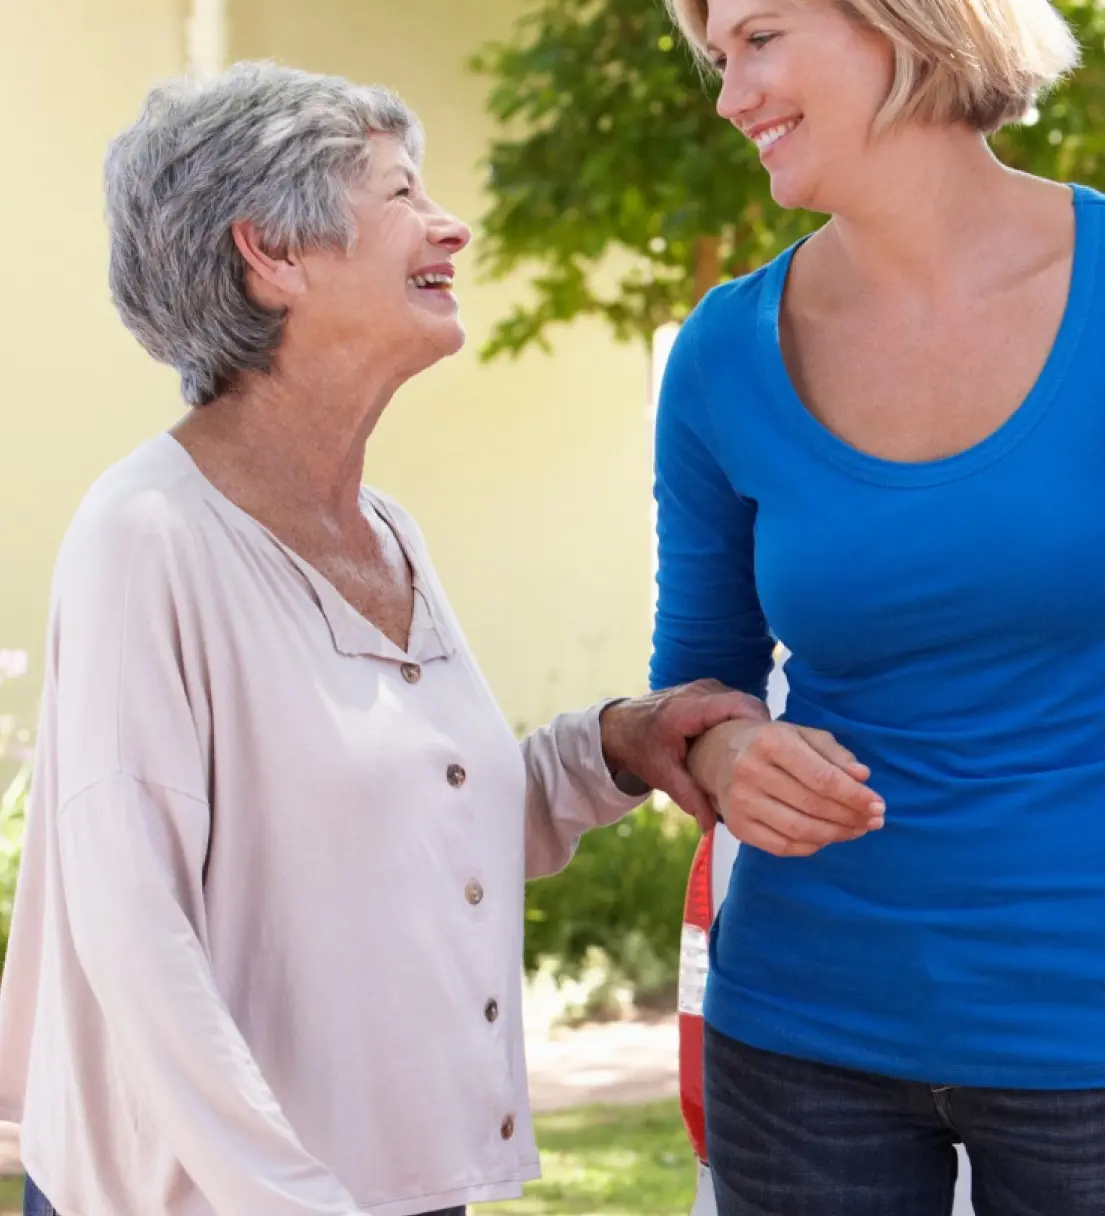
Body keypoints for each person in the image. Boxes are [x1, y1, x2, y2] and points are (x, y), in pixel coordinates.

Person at [0, 61, 880, 1216]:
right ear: (272, 252)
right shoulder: (148, 537)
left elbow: (409, 831)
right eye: (400, 194)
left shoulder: (383, 531)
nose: (449, 227)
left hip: (387, 1182)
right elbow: (134, 940)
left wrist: (618, 745)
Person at [649, 0, 1105, 1213]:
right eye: (719, 57)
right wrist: (726, 753)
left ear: (902, 16)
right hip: (797, 1032)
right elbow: (699, 685)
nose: (731, 95)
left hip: (1102, 1031)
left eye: (761, 40)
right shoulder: (724, 352)